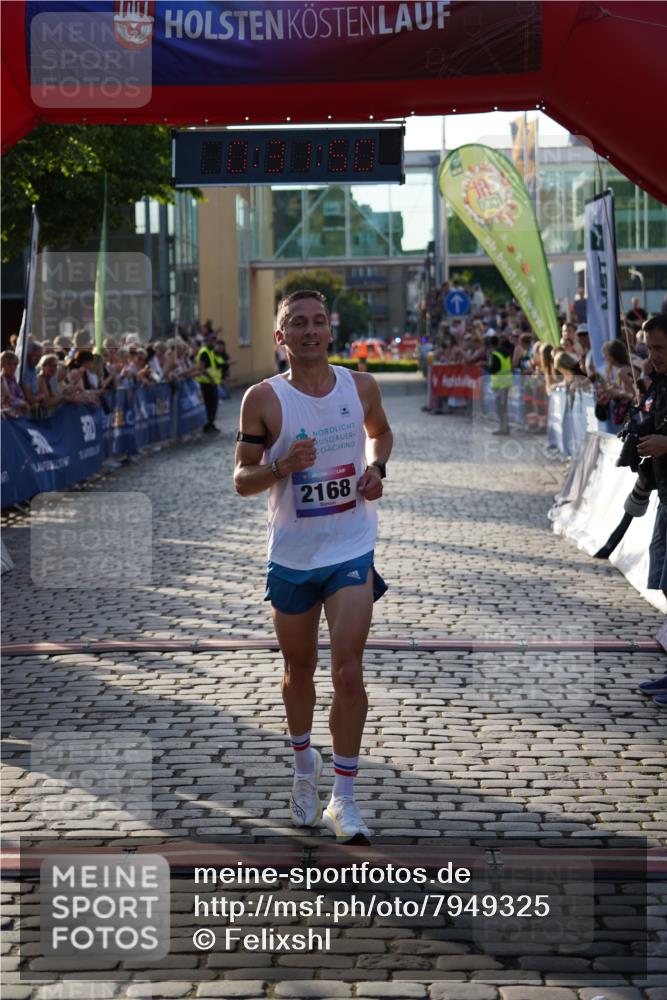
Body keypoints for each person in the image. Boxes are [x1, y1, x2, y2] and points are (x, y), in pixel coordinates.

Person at [233, 290, 393, 842]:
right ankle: (305, 770)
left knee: (348, 671)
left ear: (330, 330)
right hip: (293, 556)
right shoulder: (263, 399)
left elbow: (382, 434)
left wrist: (378, 471)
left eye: (317, 322)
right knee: (298, 672)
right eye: (296, 323)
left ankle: (343, 800)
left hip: (351, 546)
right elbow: (241, 480)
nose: (308, 330)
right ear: (281, 337)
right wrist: (280, 465)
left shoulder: (360, 386)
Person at [195, 329, 223, 433]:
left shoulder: (210, 352)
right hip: (206, 383)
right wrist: (210, 378)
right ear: (206, 341)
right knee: (208, 405)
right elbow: (201, 368)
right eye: (211, 341)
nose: (213, 343)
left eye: (214, 341)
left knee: (213, 405)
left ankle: (211, 424)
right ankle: (207, 425)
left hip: (212, 382)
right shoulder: (204, 352)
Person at [486, 334, 514, 435]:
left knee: (500, 407)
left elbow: (493, 369)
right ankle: (505, 426)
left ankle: (503, 428)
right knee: (504, 406)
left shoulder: (495, 354)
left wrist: (486, 365)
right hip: (507, 382)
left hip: (499, 384)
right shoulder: (506, 352)